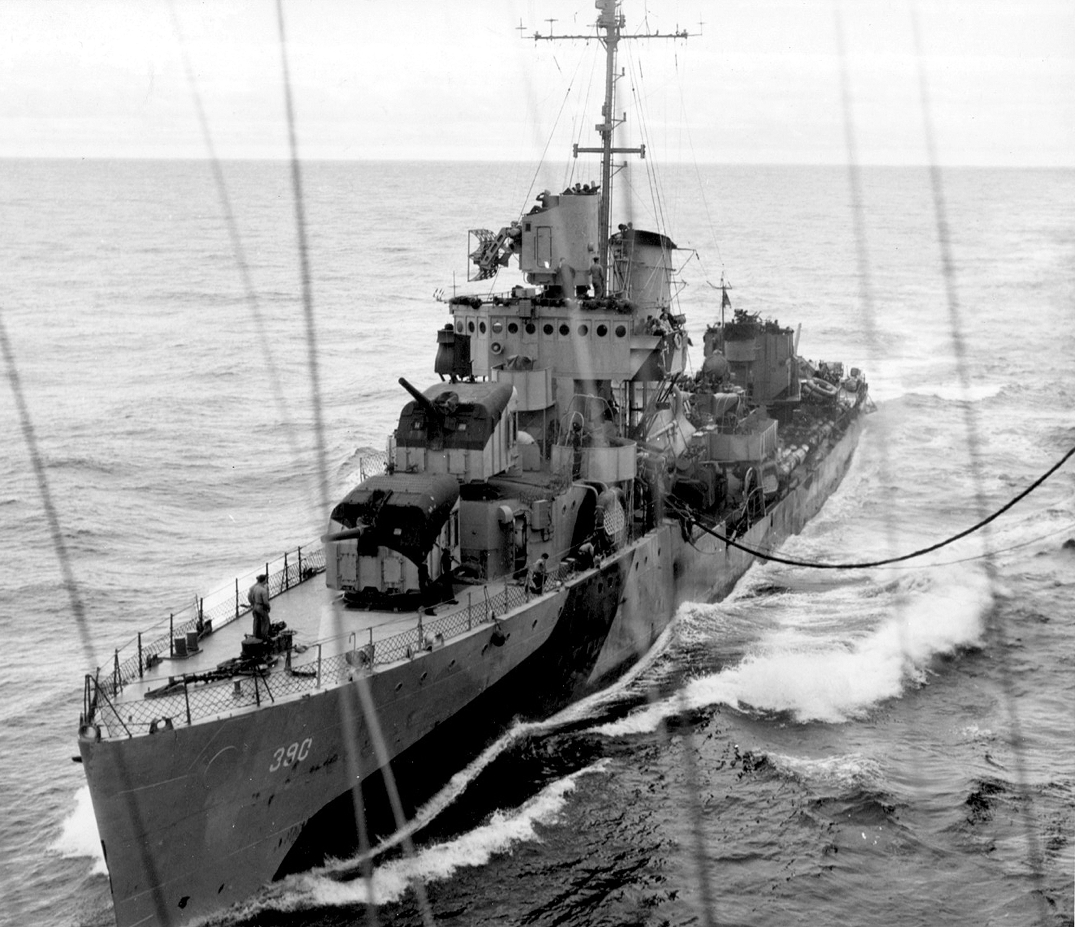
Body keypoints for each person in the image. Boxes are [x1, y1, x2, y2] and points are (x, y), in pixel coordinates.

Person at [248, 573, 271, 640]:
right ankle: (264, 637)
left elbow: (251, 597)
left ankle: (255, 636)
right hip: (261, 607)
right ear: (263, 580)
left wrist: (254, 604)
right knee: (265, 621)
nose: (266, 580)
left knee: (256, 621)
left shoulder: (255, 588)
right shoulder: (263, 590)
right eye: (266, 579)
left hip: (255, 606)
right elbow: (265, 602)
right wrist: (268, 607)